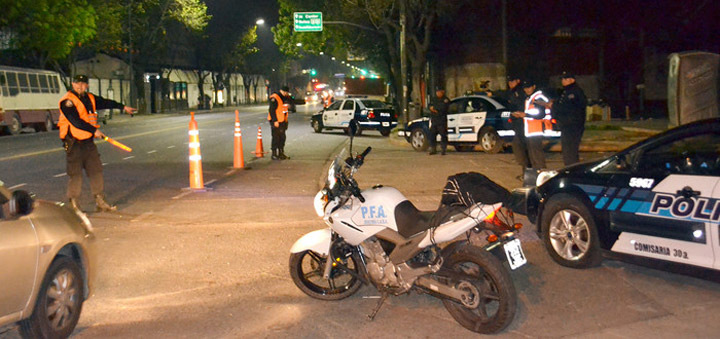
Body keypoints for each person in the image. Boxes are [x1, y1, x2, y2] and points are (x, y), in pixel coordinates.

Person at [59, 74, 136, 212]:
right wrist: (93, 130)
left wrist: (123, 107)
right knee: (75, 173)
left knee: (96, 170)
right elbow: (75, 120)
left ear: (86, 85)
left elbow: (106, 102)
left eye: (83, 84)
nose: (80, 86)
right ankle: (74, 203)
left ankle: (100, 200)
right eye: (78, 84)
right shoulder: (67, 102)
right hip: (73, 142)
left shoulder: (90, 98)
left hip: (88, 143)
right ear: (73, 84)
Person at [512, 81, 549, 170]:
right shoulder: (529, 98)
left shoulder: (538, 97)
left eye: (529, 87)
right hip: (529, 131)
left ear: (534, 86)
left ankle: (541, 175)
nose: (527, 90)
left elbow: (541, 114)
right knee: (532, 157)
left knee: (537, 156)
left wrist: (525, 115)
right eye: (525, 88)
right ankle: (535, 176)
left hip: (537, 130)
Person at [553, 71, 588, 166]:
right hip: (566, 125)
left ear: (572, 80)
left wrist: (556, 106)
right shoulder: (565, 92)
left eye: (565, 79)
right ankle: (569, 168)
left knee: (571, 151)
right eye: (562, 79)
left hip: (573, 126)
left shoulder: (576, 91)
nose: (563, 81)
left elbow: (574, 108)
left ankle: (573, 171)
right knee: (567, 151)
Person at [500, 75, 530, 176]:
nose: (510, 84)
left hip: (523, 124)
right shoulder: (512, 92)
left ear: (518, 81)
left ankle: (527, 173)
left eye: (512, 81)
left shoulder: (520, 92)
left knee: (522, 149)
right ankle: (525, 172)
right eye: (509, 82)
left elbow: (520, 105)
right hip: (517, 123)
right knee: (518, 148)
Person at [268, 85, 291, 160]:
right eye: (285, 92)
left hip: (282, 121)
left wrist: (286, 121)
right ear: (282, 91)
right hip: (276, 121)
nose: (286, 94)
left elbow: (284, 110)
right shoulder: (275, 98)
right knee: (275, 137)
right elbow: (272, 111)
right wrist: (275, 121)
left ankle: (281, 153)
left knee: (282, 137)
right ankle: (274, 154)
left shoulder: (284, 98)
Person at [428, 88, 450, 155]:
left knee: (443, 135)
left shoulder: (445, 100)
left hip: (441, 121)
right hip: (434, 121)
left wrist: (434, 109)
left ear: (442, 92)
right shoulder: (434, 99)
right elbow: (430, 105)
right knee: (432, 135)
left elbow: (443, 108)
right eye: (437, 92)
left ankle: (443, 149)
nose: (438, 93)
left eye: (439, 92)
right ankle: (433, 149)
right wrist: (432, 108)